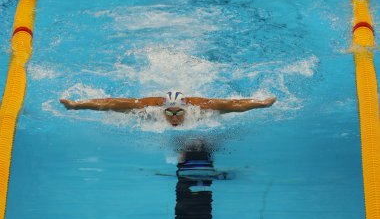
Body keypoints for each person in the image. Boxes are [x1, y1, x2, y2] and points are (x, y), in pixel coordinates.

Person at [59, 91, 276, 127]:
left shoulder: (200, 107)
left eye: (178, 113)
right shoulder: (148, 107)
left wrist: (262, 103)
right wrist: (76, 106)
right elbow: (108, 102)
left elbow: (234, 105)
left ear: (186, 110)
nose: (174, 118)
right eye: (170, 113)